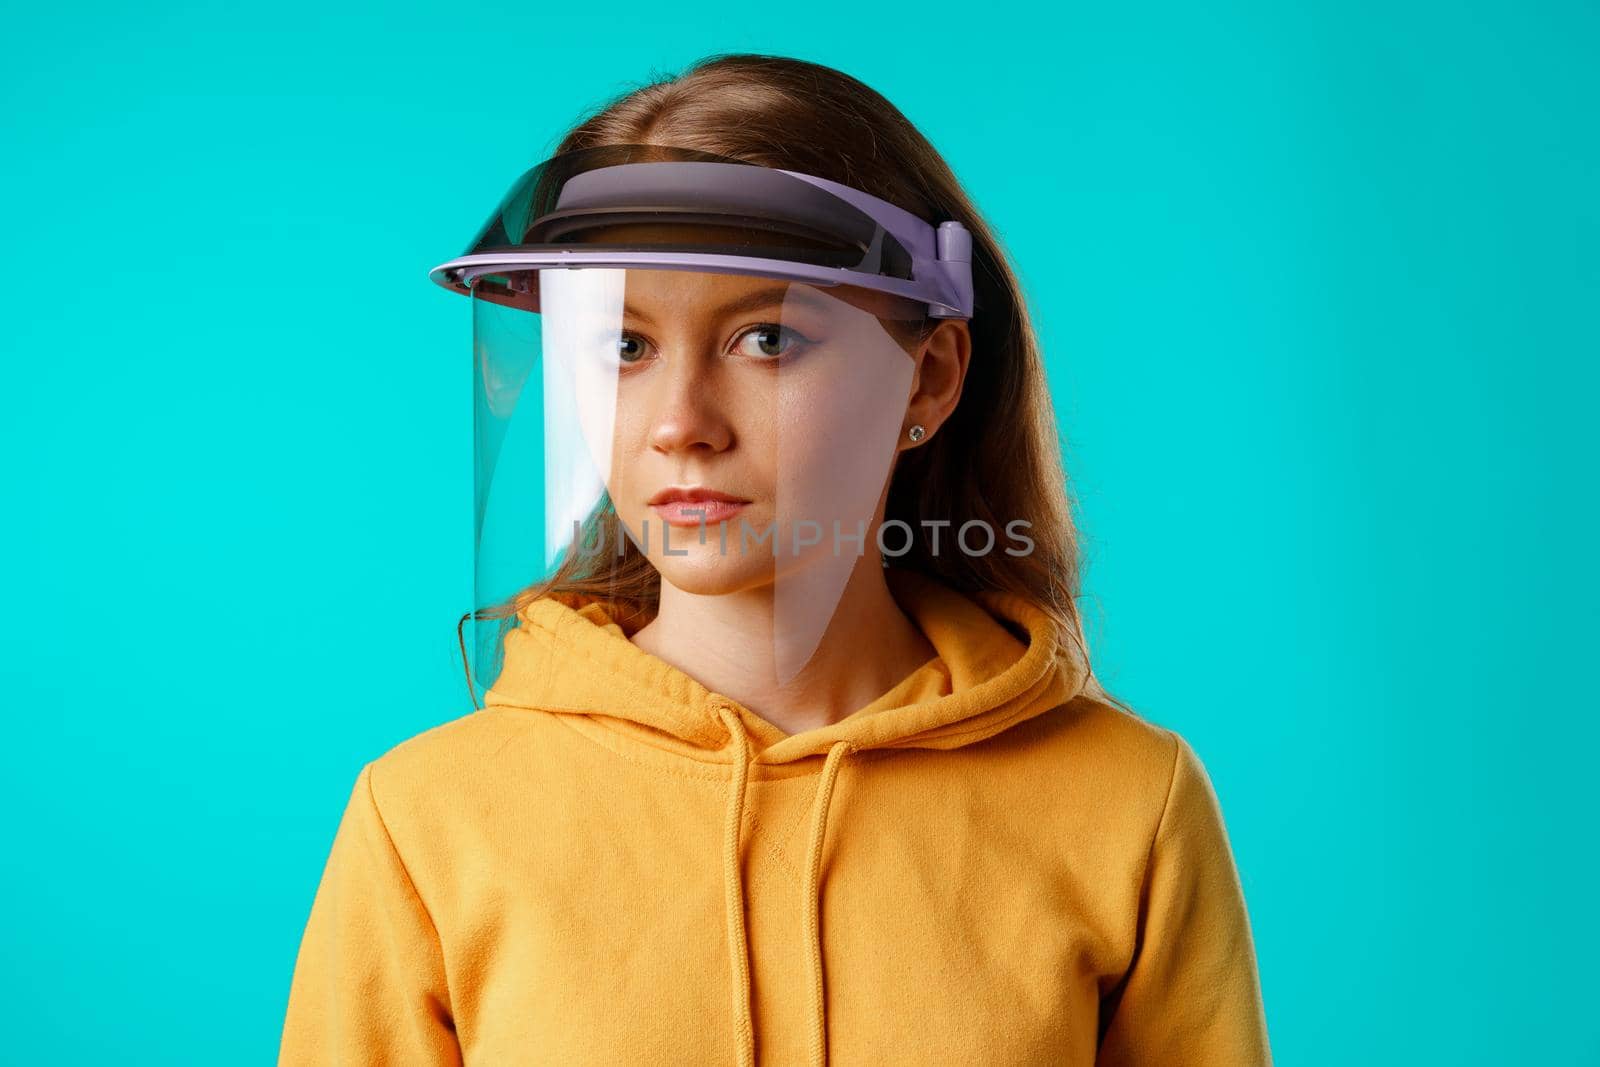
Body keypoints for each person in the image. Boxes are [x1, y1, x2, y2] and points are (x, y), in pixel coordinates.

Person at [279, 53, 1271, 1066]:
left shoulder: (1124, 802)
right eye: (622, 347)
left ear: (928, 378)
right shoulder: (430, 818)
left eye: (763, 338)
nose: (679, 423)